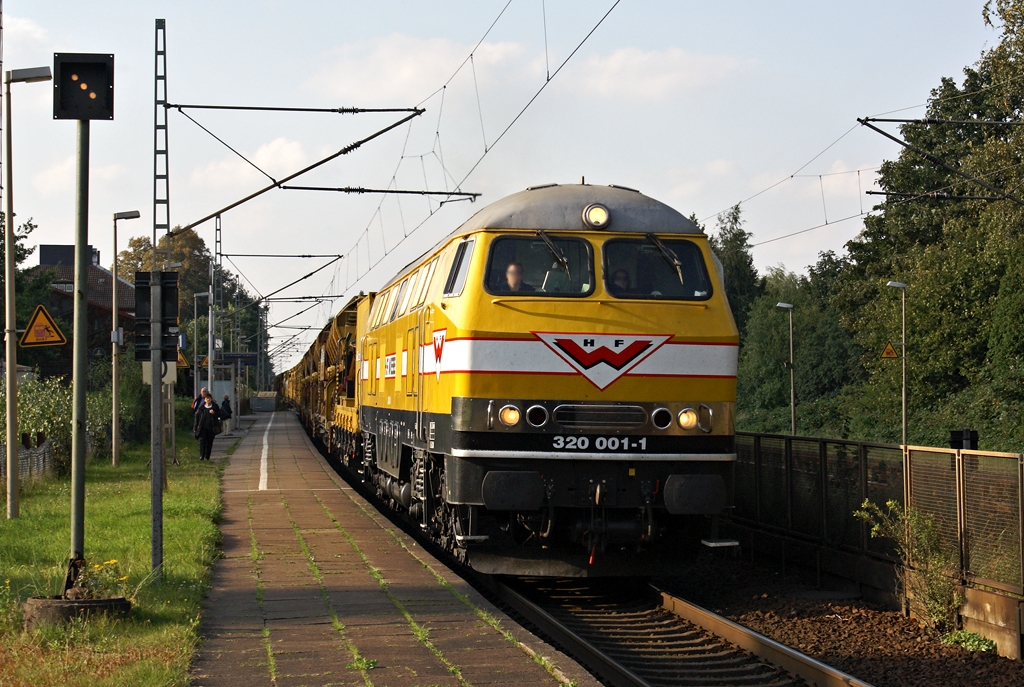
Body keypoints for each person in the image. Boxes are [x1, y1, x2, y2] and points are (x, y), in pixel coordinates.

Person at [193, 391, 223, 461]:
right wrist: (195, 427)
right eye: (206, 398)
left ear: (211, 399)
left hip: (211, 427)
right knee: (202, 441)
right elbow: (197, 418)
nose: (208, 399)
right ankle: (201, 455)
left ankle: (207, 456)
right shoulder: (201, 408)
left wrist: (214, 413)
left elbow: (220, 414)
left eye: (209, 398)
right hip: (203, 427)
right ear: (204, 400)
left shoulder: (215, 406)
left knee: (209, 442)